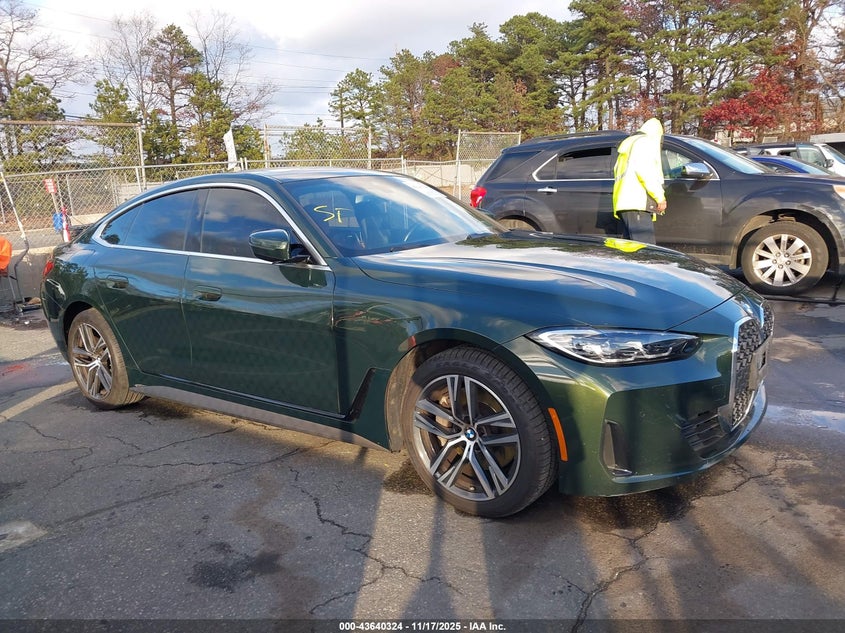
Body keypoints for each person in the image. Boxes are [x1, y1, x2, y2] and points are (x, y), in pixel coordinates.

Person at [612, 117, 667, 244]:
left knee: (630, 249)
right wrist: (659, 197)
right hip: (638, 203)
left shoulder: (629, 145)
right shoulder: (645, 142)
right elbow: (645, 171)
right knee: (644, 250)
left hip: (626, 203)